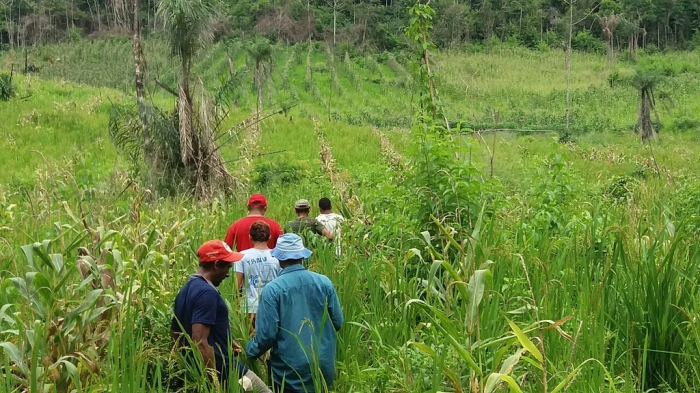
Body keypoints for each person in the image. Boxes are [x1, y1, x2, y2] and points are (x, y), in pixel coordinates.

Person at [246, 233, 344, 393]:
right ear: (302, 256)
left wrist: (250, 351)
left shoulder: (272, 290)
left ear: (279, 258)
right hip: (323, 365)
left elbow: (267, 336)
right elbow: (338, 322)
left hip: (290, 370)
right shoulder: (324, 283)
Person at [170, 240, 271, 392]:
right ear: (216, 264)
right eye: (227, 267)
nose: (228, 274)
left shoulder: (186, 290)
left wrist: (225, 341)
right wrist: (214, 383)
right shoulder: (207, 293)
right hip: (226, 371)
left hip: (200, 369)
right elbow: (199, 341)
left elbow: (175, 334)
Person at [235, 220, 282, 334]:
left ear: (250, 237)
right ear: (270, 237)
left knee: (252, 342)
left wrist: (236, 307)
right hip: (273, 307)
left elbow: (238, 286)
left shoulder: (241, 256)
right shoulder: (278, 256)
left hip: (249, 307)